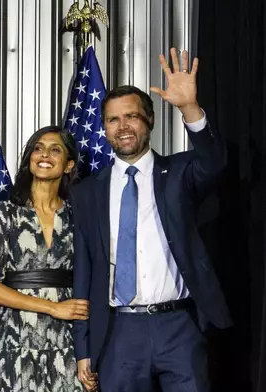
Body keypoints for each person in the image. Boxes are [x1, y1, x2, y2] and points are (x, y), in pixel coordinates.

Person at [71, 48, 232, 392]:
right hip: (118, 333)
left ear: (150, 121)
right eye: (113, 120)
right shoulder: (87, 192)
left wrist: (190, 108)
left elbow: (214, 162)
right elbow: (84, 270)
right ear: (104, 129)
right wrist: (83, 348)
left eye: (132, 116)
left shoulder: (178, 172)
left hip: (179, 326)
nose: (123, 126)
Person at [0, 125, 94, 392]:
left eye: (55, 150)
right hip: (17, 336)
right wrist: (52, 307)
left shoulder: (80, 215)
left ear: (68, 165)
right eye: (38, 148)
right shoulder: (4, 213)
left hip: (68, 338)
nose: (44, 155)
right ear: (29, 159)